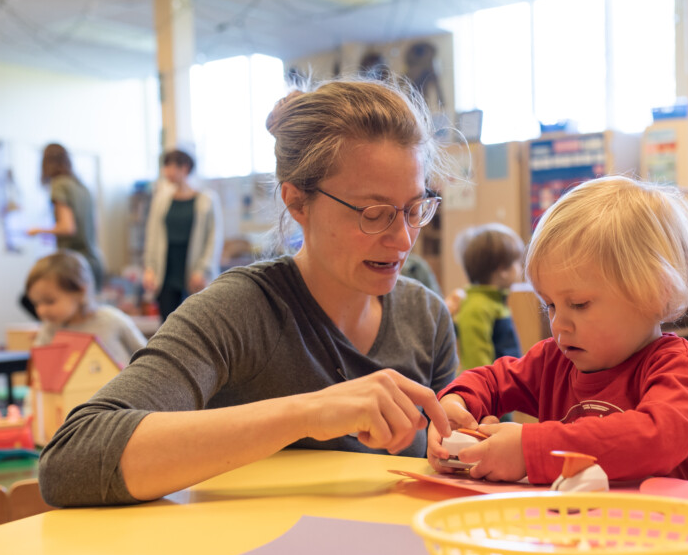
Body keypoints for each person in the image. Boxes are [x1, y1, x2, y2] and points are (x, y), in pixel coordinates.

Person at [39, 77, 456, 507]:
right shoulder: (240, 311)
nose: (403, 240)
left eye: (413, 209)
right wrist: (309, 413)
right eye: (374, 213)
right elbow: (72, 460)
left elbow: (460, 473)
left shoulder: (425, 317)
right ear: (297, 203)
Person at [427, 175, 688, 486]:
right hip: (577, 529)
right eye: (551, 305)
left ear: (655, 294)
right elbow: (492, 380)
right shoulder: (554, 362)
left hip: (671, 528)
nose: (558, 324)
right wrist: (456, 405)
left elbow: (654, 438)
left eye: (579, 304)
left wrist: (532, 449)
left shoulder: (677, 367)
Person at [26, 250, 147, 367]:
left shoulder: (112, 319)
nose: (41, 310)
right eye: (36, 304)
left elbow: (148, 356)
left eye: (49, 301)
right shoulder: (49, 329)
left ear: (80, 292)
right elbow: (41, 369)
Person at [143, 149, 223, 320]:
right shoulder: (161, 199)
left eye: (170, 166)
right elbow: (152, 234)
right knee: (166, 322)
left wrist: (203, 270)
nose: (166, 171)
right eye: (165, 166)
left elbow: (214, 238)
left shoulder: (206, 199)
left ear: (184, 168)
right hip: (166, 269)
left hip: (194, 269)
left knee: (195, 321)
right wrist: (149, 267)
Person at [27, 143, 105, 291]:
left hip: (74, 266)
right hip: (93, 262)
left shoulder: (59, 185)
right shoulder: (80, 186)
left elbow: (67, 227)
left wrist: (37, 230)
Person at [453, 222, 525, 371]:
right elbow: (477, 363)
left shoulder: (495, 301)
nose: (520, 268)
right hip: (492, 390)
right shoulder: (477, 307)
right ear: (502, 269)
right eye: (516, 263)